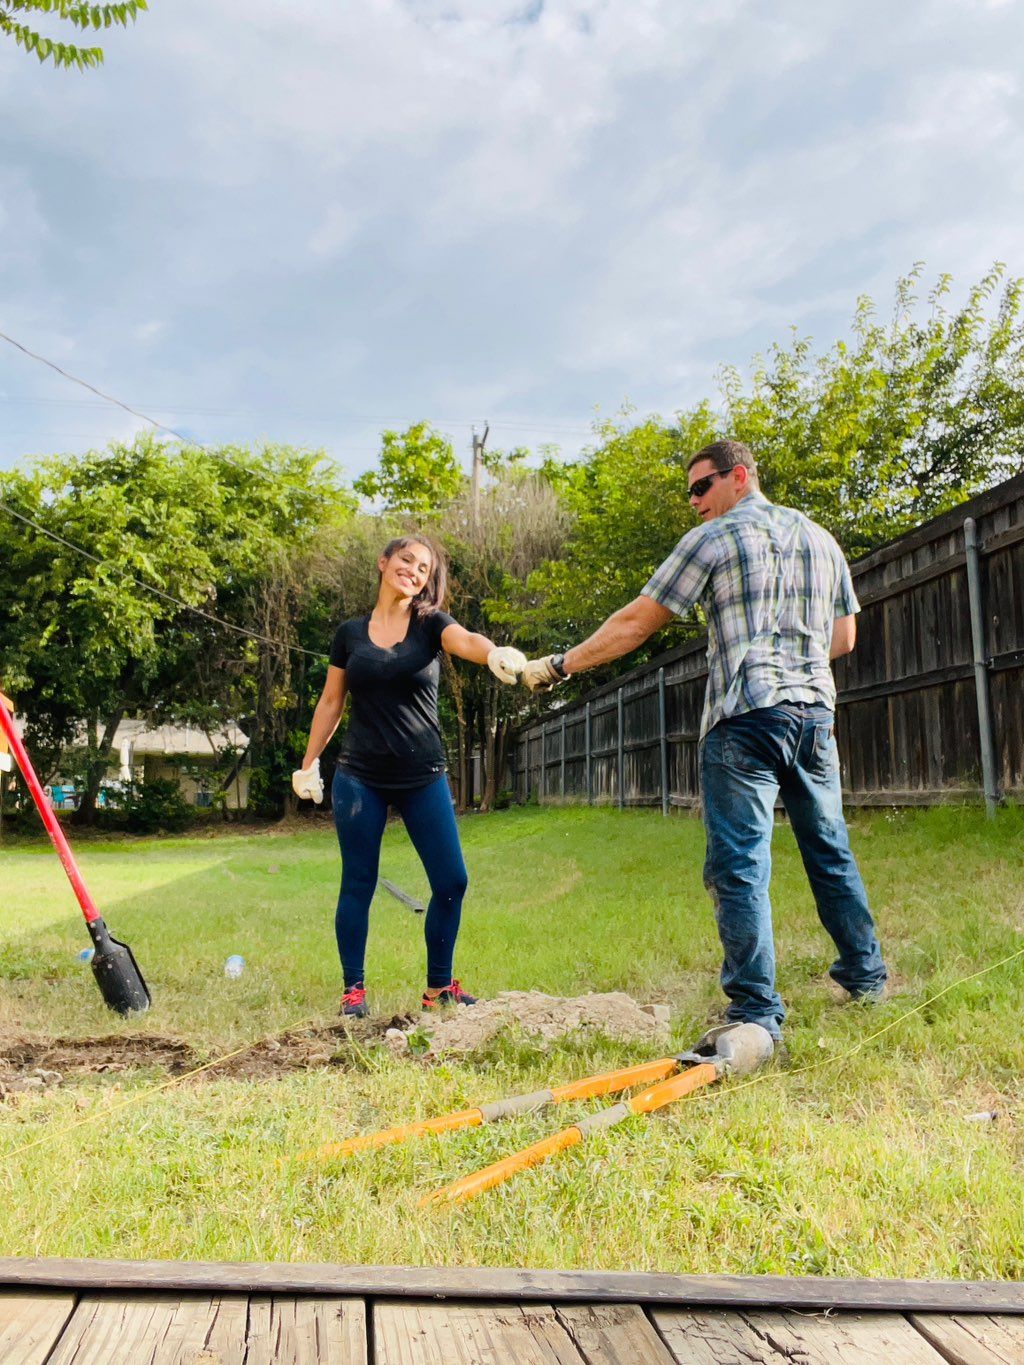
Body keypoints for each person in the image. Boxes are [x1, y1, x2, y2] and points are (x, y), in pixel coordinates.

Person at [520, 439, 887, 1046]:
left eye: (701, 487)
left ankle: (756, 1010)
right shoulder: (821, 539)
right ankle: (867, 976)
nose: (693, 502)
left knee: (739, 866)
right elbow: (844, 638)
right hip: (814, 714)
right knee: (829, 848)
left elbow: (638, 622)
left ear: (738, 477)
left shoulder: (714, 539)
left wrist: (559, 666)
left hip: (745, 718)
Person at [293, 535, 526, 1018]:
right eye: (407, 560)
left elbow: (464, 640)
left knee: (451, 881)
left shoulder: (430, 624)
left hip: (423, 776)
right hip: (360, 777)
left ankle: (439, 988)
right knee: (358, 880)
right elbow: (332, 700)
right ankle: (352, 992)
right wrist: (309, 761)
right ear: (383, 563)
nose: (415, 572)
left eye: (424, 569)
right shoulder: (349, 634)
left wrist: (492, 654)